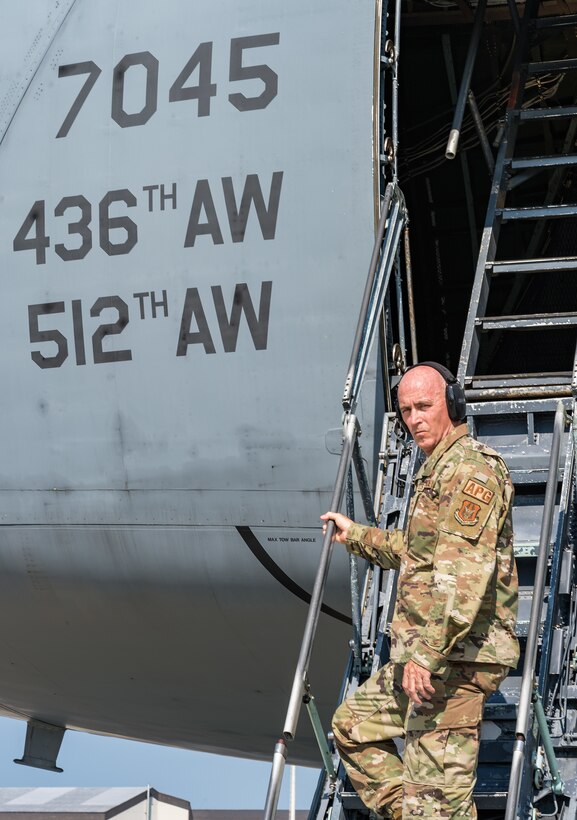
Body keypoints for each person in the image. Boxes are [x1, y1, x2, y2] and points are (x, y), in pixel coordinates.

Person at [321, 362, 519, 819]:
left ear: (451, 404)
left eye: (424, 406)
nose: (414, 419)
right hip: (423, 658)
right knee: (351, 726)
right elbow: (417, 552)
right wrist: (356, 536)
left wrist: (428, 655)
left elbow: (462, 579)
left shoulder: (472, 472)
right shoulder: (436, 471)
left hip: (453, 659)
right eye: (407, 410)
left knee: (437, 804)